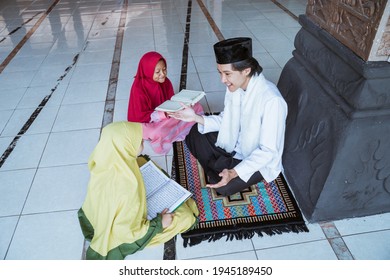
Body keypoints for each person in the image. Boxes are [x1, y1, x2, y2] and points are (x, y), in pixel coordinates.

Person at [169, 37, 288, 197]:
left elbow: (268, 152)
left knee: (223, 188)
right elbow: (227, 119)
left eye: (227, 74)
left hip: (257, 160)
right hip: (234, 144)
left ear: (246, 70)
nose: (223, 80)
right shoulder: (236, 86)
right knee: (194, 134)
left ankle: (221, 168)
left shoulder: (272, 101)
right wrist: (195, 117)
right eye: (220, 73)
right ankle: (219, 167)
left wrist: (234, 172)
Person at [78, 122, 199, 260]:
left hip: (96, 220)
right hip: (122, 237)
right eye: (139, 140)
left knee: (139, 161)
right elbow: (128, 233)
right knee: (186, 217)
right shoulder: (127, 189)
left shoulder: (102, 162)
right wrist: (159, 223)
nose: (143, 141)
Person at [127, 51, 203, 154]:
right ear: (148, 71)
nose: (162, 74)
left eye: (164, 69)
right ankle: (169, 132)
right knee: (157, 132)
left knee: (196, 107)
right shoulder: (138, 89)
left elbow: (171, 102)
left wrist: (180, 106)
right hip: (147, 122)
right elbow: (139, 116)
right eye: (157, 72)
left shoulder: (166, 82)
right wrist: (161, 114)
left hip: (167, 115)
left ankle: (173, 128)